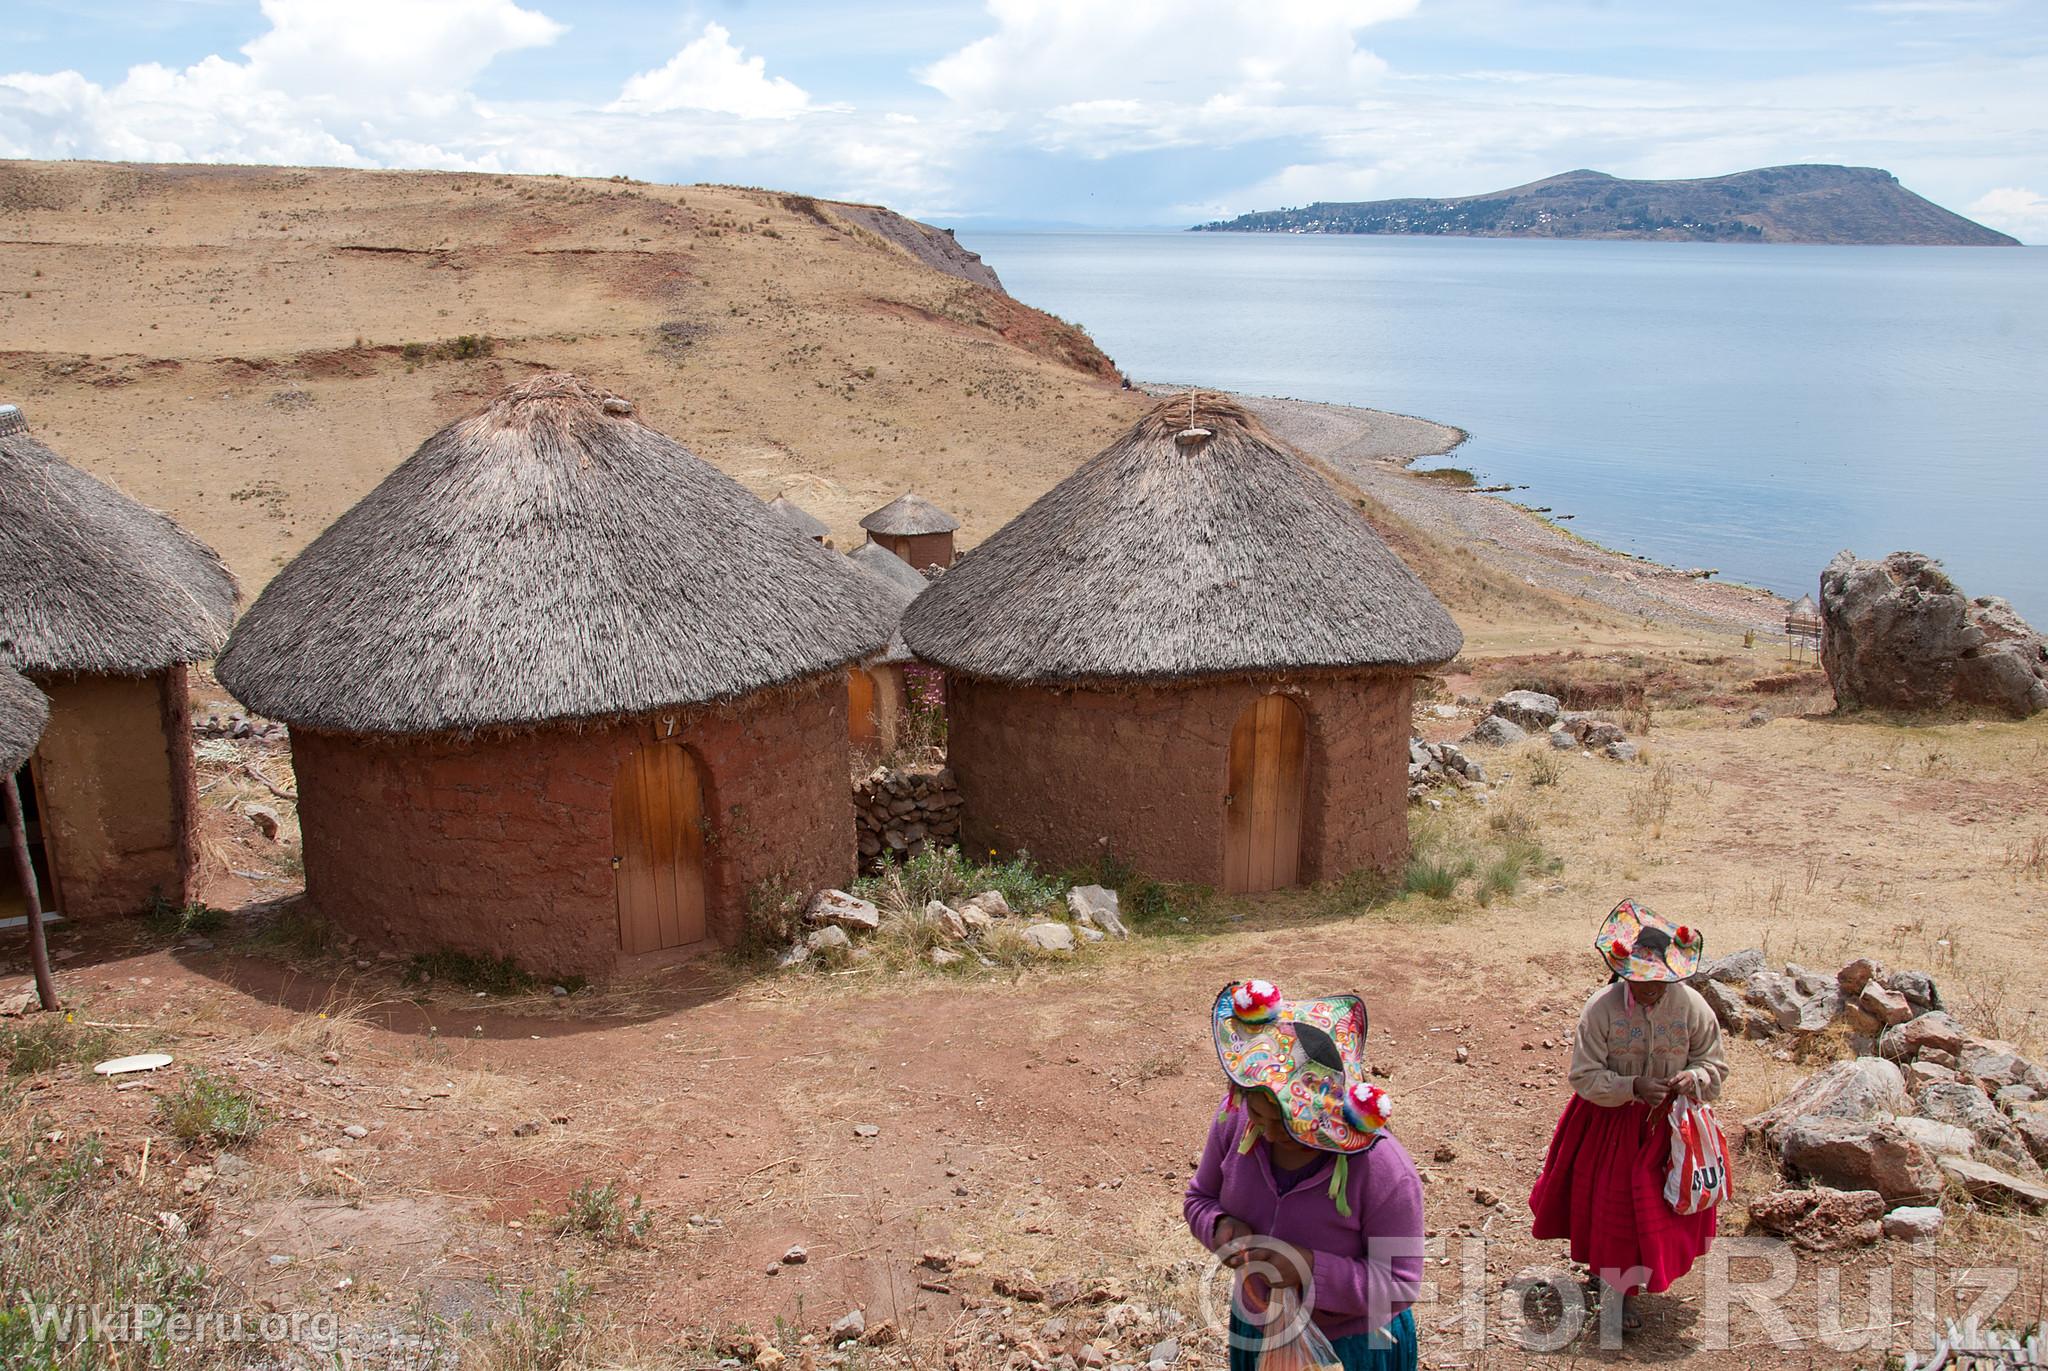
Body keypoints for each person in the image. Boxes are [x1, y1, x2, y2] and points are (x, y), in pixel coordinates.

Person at [1185, 979, 1425, 1371]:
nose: (1271, 1132)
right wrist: (1221, 1228)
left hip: (1352, 1347)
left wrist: (1307, 1268)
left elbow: (1399, 1283)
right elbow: (1200, 1199)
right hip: (1260, 1328)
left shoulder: (1382, 1170)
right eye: (1260, 1114)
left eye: (1295, 1126)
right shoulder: (1235, 1120)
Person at [1528, 899, 1727, 1334]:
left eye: (1658, 983)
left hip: (1670, 1130)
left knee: (1658, 1208)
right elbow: (1584, 1075)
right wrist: (1631, 1087)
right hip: (1609, 1124)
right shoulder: (1601, 1010)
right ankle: (1613, 1289)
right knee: (1613, 1206)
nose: (1649, 990)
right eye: (1640, 982)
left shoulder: (1693, 1008)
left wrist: (1692, 1078)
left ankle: (1634, 1278)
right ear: (1624, 974)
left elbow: (1715, 1066)